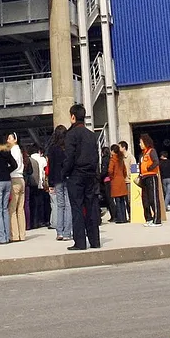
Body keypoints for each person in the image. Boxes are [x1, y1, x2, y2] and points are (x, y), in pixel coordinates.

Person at [62, 104, 101, 250]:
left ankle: (80, 242)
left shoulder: (71, 135)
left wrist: (64, 173)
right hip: (90, 175)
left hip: (76, 175)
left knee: (77, 208)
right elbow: (95, 157)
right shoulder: (91, 135)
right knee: (91, 207)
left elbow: (69, 157)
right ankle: (95, 241)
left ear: (73, 117)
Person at [47, 125, 72, 241]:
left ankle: (59, 232)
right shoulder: (68, 147)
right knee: (68, 205)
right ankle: (67, 232)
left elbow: (51, 166)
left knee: (60, 205)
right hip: (68, 177)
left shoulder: (52, 148)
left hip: (57, 179)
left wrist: (50, 182)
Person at [138, 133, 163, 226]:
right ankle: (148, 218)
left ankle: (157, 220)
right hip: (143, 177)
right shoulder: (142, 154)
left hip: (151, 176)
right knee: (145, 199)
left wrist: (149, 168)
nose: (139, 144)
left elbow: (156, 162)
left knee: (153, 198)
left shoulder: (151, 151)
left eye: (140, 142)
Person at [6, 132, 26, 242]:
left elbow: (12, 165)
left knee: (12, 209)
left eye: (9, 138)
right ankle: (22, 234)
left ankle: (14, 235)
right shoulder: (19, 151)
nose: (7, 141)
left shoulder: (13, 150)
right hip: (21, 179)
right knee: (20, 209)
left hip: (14, 179)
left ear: (15, 140)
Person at [107, 144, 130, 223]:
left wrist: (111, 177)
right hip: (122, 181)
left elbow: (110, 170)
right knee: (123, 201)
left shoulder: (113, 160)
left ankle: (120, 218)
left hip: (115, 181)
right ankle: (124, 217)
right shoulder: (121, 159)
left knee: (117, 201)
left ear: (113, 151)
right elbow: (125, 171)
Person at [30, 145, 50, 229]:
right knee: (43, 203)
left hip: (32, 183)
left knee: (33, 203)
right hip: (42, 183)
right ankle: (43, 220)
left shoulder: (30, 159)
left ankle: (35, 221)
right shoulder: (42, 159)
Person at [159, 146, 170, 212]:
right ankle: (164, 207)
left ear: (162, 156)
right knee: (168, 193)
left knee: (167, 193)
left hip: (163, 179)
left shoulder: (159, 163)